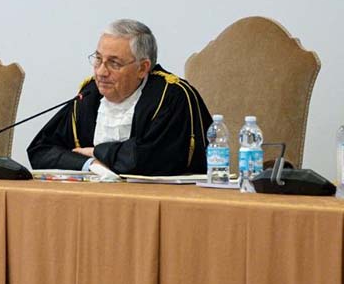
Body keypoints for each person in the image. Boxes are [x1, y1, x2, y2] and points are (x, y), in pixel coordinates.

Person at [27, 19, 212, 176]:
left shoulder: (170, 96)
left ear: (142, 68)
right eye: (98, 59)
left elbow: (150, 160)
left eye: (114, 63)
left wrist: (96, 152)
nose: (101, 72)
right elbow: (40, 150)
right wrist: (91, 164)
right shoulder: (90, 95)